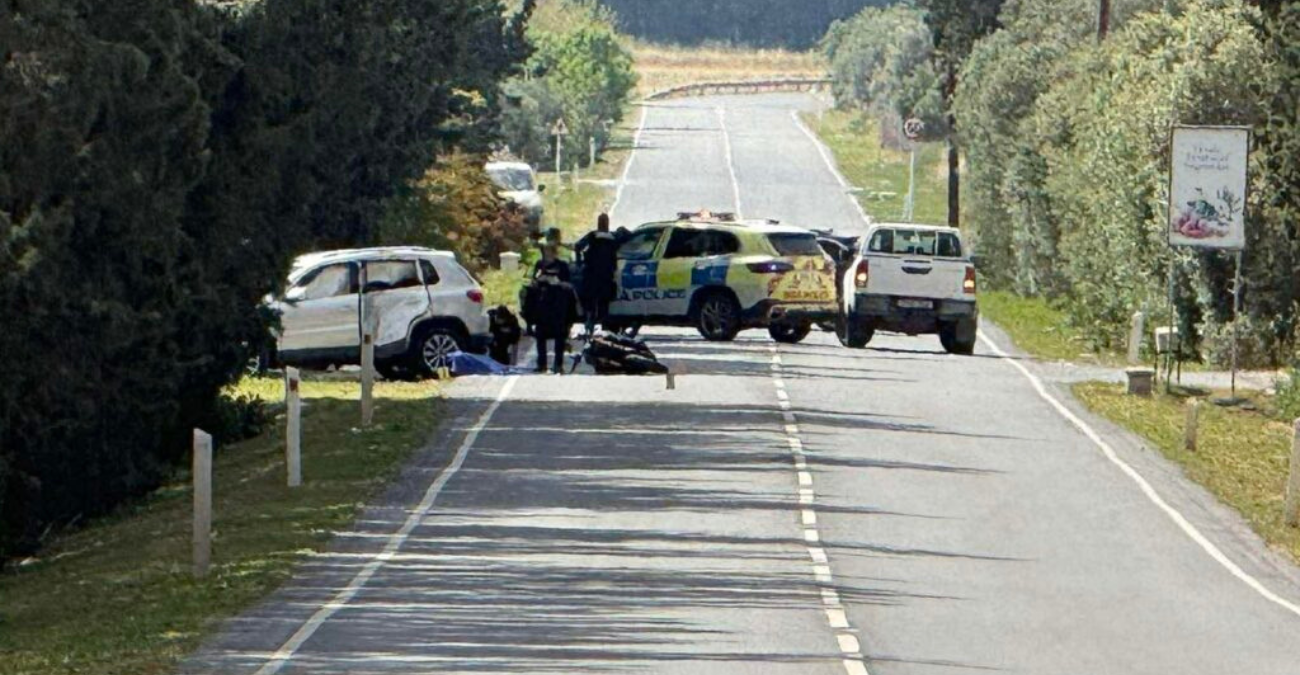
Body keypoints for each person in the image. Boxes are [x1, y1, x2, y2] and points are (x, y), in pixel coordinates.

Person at [523, 246, 579, 374]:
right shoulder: (538, 283)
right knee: (544, 340)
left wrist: (570, 321)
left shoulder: (563, 280)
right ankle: (544, 364)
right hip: (548, 318)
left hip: (556, 318)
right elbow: (530, 301)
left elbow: (571, 299)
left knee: (557, 340)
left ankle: (555, 365)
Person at [574, 213, 620, 336]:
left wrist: (579, 262)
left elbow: (578, 246)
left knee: (591, 302)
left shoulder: (592, 236)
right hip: (606, 274)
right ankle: (602, 329)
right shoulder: (612, 238)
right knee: (603, 303)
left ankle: (590, 326)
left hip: (592, 273)